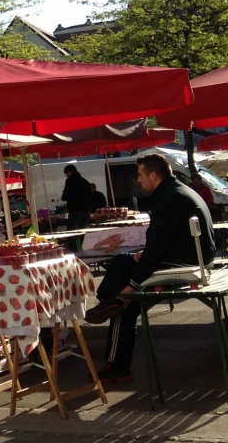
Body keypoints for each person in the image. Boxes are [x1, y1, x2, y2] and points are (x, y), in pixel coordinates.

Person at [84, 153, 215, 383]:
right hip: (192, 258)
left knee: (124, 301)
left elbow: (156, 250)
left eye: (140, 175)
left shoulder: (169, 199)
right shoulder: (178, 191)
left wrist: (132, 286)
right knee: (123, 262)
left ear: (153, 175)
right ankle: (109, 301)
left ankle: (110, 308)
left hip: (184, 264)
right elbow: (164, 241)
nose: (138, 180)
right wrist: (145, 256)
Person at [62, 164, 94, 229]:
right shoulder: (85, 182)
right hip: (86, 210)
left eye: (66, 174)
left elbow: (67, 195)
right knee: (84, 230)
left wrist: (63, 196)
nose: (66, 176)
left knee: (73, 231)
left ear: (69, 172)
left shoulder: (70, 180)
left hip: (75, 210)